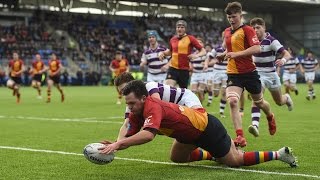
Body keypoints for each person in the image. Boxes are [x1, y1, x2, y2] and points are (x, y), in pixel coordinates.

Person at [99, 80, 297, 168]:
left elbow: (148, 135)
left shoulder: (154, 105)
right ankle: (217, 153)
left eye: (132, 103)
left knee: (235, 162)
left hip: (206, 129)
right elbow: (128, 128)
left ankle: (279, 154)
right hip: (188, 135)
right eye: (128, 104)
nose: (130, 108)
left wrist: (118, 144)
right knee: (177, 158)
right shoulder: (137, 111)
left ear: (143, 98)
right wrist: (116, 144)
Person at [114, 72, 213, 162]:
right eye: (121, 92)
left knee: (204, 125)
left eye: (124, 89)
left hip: (186, 100)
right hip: (175, 114)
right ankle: (211, 155)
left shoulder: (149, 86)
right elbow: (127, 124)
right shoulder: (133, 103)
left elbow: (156, 106)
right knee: (185, 140)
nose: (123, 93)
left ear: (132, 83)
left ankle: (219, 144)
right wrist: (116, 145)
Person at [217, 2, 275, 147]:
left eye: (234, 16)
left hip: (250, 73)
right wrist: (223, 54)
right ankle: (240, 136)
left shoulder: (248, 30)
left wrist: (236, 54)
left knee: (260, 102)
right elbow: (231, 49)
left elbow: (257, 48)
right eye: (229, 17)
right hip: (233, 74)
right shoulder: (227, 32)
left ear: (241, 15)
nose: (231, 19)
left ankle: (270, 116)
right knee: (232, 101)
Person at [248, 17, 293, 137]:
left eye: (258, 27)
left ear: (264, 28)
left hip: (271, 75)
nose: (255, 30)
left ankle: (287, 98)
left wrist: (283, 60)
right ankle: (255, 125)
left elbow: (286, 54)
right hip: (258, 74)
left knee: (279, 101)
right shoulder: (251, 41)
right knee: (256, 100)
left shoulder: (272, 41)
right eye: (253, 28)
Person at [158, 20, 206, 88]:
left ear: (185, 29)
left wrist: (196, 55)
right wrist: (162, 53)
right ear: (176, 28)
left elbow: (203, 51)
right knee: (168, 88)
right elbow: (170, 52)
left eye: (182, 27)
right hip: (173, 68)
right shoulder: (172, 39)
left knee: (183, 93)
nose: (180, 29)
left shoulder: (190, 38)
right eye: (178, 27)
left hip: (184, 70)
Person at [208, 45, 228, 118]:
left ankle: (221, 111)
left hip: (226, 72)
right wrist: (206, 64)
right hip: (217, 72)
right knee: (216, 94)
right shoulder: (216, 49)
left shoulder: (231, 47)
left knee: (224, 92)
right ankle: (214, 93)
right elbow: (209, 57)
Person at [189, 37, 208, 103]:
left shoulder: (205, 53)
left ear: (203, 44)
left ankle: (200, 106)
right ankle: (197, 106)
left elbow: (207, 61)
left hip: (203, 74)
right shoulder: (193, 54)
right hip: (195, 74)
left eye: (200, 42)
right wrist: (190, 68)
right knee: (192, 92)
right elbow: (190, 63)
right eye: (197, 43)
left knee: (200, 90)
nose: (199, 44)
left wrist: (205, 65)